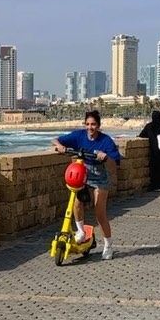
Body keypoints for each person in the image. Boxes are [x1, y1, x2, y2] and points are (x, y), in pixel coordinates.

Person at [51, 109, 122, 260]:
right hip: (82, 175)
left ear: (99, 125)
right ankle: (81, 232)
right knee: (76, 203)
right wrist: (61, 147)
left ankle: (108, 245)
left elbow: (114, 165)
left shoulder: (106, 141)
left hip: (99, 177)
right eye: (88, 124)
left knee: (99, 213)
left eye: (93, 124)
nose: (90, 128)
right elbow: (55, 140)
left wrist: (105, 157)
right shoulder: (79, 135)